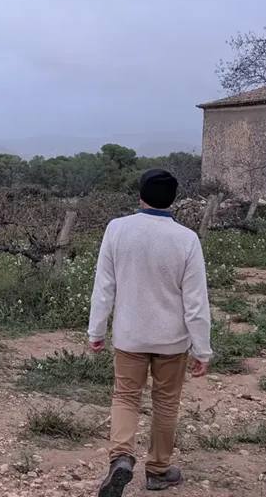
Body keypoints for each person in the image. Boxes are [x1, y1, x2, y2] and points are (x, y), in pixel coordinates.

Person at [88, 169, 213, 496]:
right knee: (166, 404)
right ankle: (158, 470)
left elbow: (104, 287)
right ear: (173, 199)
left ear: (140, 195)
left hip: (130, 336)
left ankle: (121, 458)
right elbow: (196, 301)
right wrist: (202, 349)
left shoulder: (117, 229)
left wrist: (96, 330)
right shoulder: (186, 239)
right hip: (173, 342)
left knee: (126, 397)